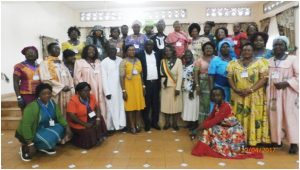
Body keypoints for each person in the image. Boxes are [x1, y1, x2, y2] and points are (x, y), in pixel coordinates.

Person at [191, 87, 263, 159]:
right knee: (208, 128)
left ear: (223, 96)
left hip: (233, 132)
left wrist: (196, 130)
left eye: (218, 95)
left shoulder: (226, 106)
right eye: (213, 95)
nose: (215, 97)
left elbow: (213, 121)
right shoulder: (217, 105)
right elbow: (210, 118)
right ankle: (209, 147)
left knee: (209, 128)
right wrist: (200, 127)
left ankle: (209, 148)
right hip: (225, 128)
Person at [227, 43, 271, 147]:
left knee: (254, 116)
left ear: (253, 51)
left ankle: (252, 140)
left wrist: (250, 90)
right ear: (241, 51)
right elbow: (229, 77)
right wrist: (235, 89)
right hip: (238, 95)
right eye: (245, 50)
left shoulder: (261, 63)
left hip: (254, 95)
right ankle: (238, 138)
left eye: (249, 50)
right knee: (238, 116)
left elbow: (264, 78)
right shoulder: (233, 63)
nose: (246, 52)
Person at [15, 83, 71, 161]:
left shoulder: (51, 103)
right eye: (43, 94)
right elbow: (26, 126)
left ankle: (42, 147)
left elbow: (60, 117)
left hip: (43, 128)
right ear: (39, 95)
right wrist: (30, 144)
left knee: (62, 128)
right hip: (30, 132)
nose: (47, 95)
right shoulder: (32, 107)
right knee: (47, 138)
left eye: (49, 93)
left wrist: (67, 127)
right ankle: (25, 147)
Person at [267, 36, 299, 154]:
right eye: (275, 45)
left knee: (290, 117)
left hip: (288, 93)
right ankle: (277, 140)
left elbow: (299, 76)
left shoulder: (293, 59)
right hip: (273, 94)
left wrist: (286, 83)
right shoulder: (269, 61)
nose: (278, 47)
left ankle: (294, 143)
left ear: (286, 47)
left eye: (281, 45)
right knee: (274, 116)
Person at [39, 42, 74, 143]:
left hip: (67, 93)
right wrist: (62, 87)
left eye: (59, 49)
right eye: (55, 49)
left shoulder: (60, 62)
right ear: (49, 51)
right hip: (57, 93)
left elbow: (68, 76)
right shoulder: (45, 63)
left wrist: (71, 87)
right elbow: (45, 79)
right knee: (58, 114)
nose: (58, 51)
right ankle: (59, 138)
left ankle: (68, 136)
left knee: (67, 113)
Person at [67, 82, 107, 149]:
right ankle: (79, 141)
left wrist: (98, 118)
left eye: (88, 90)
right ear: (78, 92)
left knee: (100, 119)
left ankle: (98, 137)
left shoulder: (92, 97)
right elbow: (72, 116)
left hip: (90, 117)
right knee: (88, 133)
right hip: (79, 122)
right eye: (84, 91)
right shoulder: (73, 101)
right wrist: (84, 124)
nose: (87, 92)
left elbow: (97, 108)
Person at [74, 45, 107, 122]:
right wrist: (84, 90)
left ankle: (103, 126)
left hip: (100, 89)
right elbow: (77, 77)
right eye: (89, 50)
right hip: (88, 90)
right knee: (90, 106)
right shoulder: (79, 62)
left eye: (93, 50)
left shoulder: (98, 62)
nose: (91, 51)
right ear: (85, 51)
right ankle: (92, 127)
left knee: (101, 106)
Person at [120, 44, 146, 134]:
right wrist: (124, 90)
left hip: (138, 85)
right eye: (130, 50)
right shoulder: (123, 62)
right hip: (129, 86)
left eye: (133, 50)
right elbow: (121, 77)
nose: (132, 51)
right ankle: (132, 126)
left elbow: (141, 74)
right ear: (126, 51)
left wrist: (143, 86)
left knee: (138, 106)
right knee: (130, 107)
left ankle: (137, 124)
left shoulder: (138, 60)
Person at [101, 45, 126, 132]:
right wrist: (107, 92)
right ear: (108, 52)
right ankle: (110, 127)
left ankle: (121, 125)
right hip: (110, 89)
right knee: (110, 108)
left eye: (114, 50)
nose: (113, 52)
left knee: (121, 106)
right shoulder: (104, 62)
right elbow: (103, 78)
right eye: (111, 51)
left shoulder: (121, 60)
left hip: (120, 88)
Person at [138, 40, 161, 131]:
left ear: (153, 46)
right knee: (146, 105)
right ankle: (147, 124)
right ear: (144, 46)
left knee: (155, 104)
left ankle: (155, 123)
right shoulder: (140, 55)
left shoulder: (157, 54)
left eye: (151, 45)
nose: (149, 46)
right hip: (145, 83)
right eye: (147, 45)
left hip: (155, 82)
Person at [160, 45, 183, 131]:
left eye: (169, 50)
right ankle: (167, 123)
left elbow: (180, 75)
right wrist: (163, 83)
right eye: (166, 51)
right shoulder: (162, 61)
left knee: (176, 106)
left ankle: (175, 123)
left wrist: (178, 88)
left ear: (173, 51)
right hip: (165, 87)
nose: (167, 52)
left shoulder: (178, 61)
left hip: (175, 87)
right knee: (166, 106)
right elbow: (161, 73)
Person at [194, 42, 216, 127]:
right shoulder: (199, 60)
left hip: (215, 83)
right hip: (203, 84)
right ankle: (203, 125)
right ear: (203, 50)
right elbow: (195, 73)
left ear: (213, 49)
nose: (208, 49)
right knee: (204, 104)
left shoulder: (217, 59)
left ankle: (212, 124)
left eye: (210, 48)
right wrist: (197, 85)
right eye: (206, 48)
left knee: (213, 103)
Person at [13, 46, 40, 112]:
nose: (30, 54)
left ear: (37, 55)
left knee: (39, 115)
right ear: (25, 55)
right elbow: (15, 82)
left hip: (39, 94)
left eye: (33, 52)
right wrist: (19, 98)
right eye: (28, 52)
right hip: (26, 95)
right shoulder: (19, 66)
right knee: (27, 116)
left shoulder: (40, 66)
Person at [181, 50, 199, 130]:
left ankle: (194, 123)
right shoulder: (184, 66)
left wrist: (192, 90)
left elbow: (196, 78)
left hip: (192, 90)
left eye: (189, 55)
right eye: (186, 56)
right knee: (187, 106)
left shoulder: (194, 66)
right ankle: (190, 122)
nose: (187, 57)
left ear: (192, 56)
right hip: (185, 90)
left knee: (193, 106)